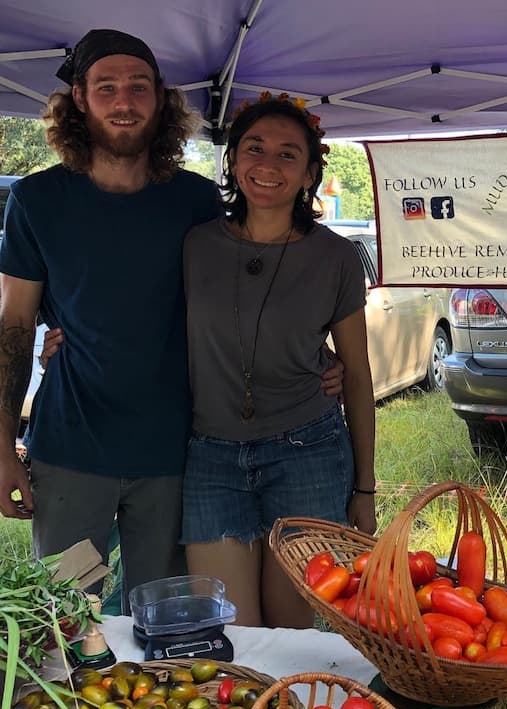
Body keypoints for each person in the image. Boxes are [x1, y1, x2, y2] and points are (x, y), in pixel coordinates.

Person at [0, 29, 343, 612]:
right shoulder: (37, 201)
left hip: (177, 453)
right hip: (70, 449)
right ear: (80, 99)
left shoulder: (195, 201)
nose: (124, 101)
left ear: (160, 100)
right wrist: (2, 444)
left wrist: (314, 355)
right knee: (66, 620)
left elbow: (248, 301)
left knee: (167, 627)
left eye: (139, 87)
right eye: (106, 88)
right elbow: (13, 325)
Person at [180, 93, 376, 628]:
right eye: (254, 148)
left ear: (311, 172)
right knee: (229, 635)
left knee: (290, 635)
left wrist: (364, 489)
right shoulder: (194, 245)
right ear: (233, 160)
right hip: (211, 458)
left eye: (288, 154)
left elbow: (356, 374)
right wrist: (60, 331)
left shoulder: (336, 256)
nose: (268, 165)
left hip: (307, 454)